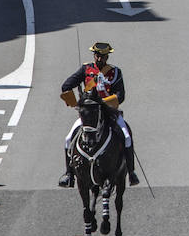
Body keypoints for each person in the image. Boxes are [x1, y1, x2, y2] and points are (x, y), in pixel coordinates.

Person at [58, 42, 138, 187]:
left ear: (107, 56)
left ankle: (131, 172)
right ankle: (69, 174)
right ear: (94, 55)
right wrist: (76, 102)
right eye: (97, 55)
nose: (100, 59)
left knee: (126, 136)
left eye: (103, 56)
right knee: (68, 138)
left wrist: (105, 103)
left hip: (109, 112)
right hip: (90, 114)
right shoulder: (86, 69)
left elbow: (121, 95)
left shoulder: (115, 72)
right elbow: (66, 85)